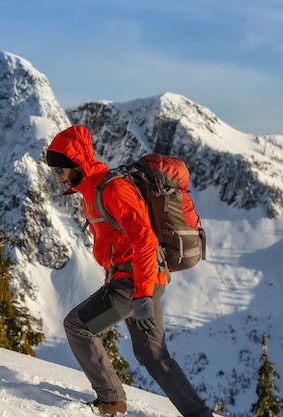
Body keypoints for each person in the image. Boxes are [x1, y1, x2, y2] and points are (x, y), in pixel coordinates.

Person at [46, 125, 212, 417]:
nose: (57, 178)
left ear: (75, 165)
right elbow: (117, 244)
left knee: (77, 326)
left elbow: (145, 240)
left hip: (137, 280)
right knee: (152, 354)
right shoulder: (91, 189)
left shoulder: (112, 188)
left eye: (59, 171)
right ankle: (199, 414)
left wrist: (143, 296)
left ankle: (111, 402)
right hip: (140, 277)